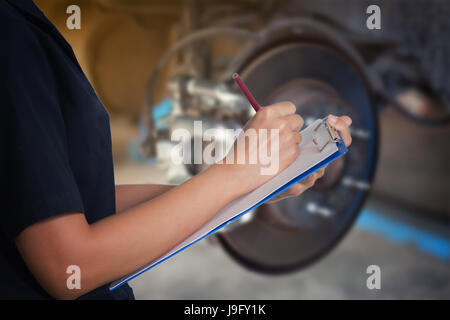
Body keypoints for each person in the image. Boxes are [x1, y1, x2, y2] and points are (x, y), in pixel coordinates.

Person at [0, 0, 352, 300]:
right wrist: (237, 171)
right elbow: (69, 266)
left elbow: (87, 205)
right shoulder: (10, 33)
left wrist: (253, 186)